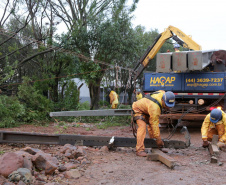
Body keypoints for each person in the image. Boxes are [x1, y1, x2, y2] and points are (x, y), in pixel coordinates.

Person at [132, 90, 175, 157]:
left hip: (148, 109)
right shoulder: (155, 108)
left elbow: (161, 90)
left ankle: (154, 146)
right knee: (142, 127)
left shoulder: (163, 94)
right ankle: (139, 150)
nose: (168, 107)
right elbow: (154, 125)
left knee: (151, 127)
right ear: (162, 100)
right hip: (138, 110)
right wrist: (159, 140)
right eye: (166, 105)